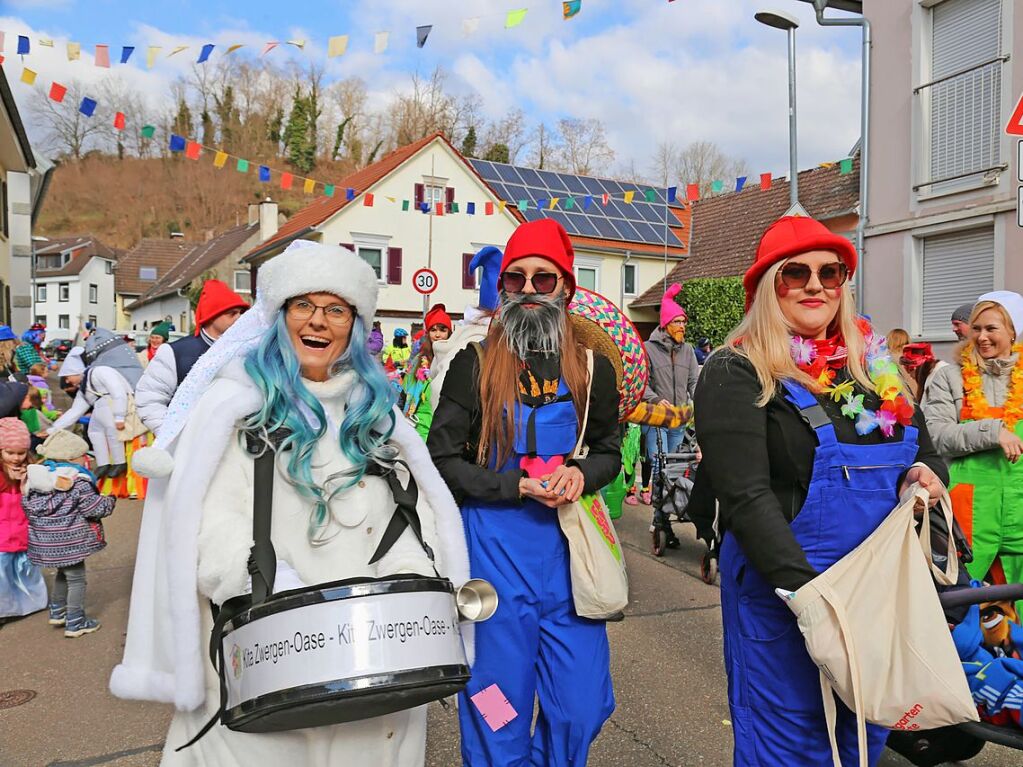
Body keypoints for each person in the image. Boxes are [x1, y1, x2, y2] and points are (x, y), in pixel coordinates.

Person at [110, 240, 471, 767]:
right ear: (278, 317)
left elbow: (409, 519)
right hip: (269, 662)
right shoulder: (233, 411)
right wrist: (284, 592)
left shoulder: (374, 416)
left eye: (336, 310)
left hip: (373, 670)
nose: (318, 321)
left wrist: (412, 575)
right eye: (304, 305)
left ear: (354, 324)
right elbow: (207, 526)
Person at [694, 215, 947, 766]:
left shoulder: (874, 370)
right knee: (791, 749)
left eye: (829, 272)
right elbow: (746, 498)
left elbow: (926, 452)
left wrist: (927, 476)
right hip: (791, 598)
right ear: (768, 287)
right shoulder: (736, 371)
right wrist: (815, 605)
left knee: (863, 741)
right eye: (795, 273)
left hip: (879, 599)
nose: (815, 285)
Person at [429, 219, 620, 766]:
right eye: (516, 279)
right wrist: (514, 485)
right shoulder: (473, 364)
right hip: (493, 560)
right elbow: (441, 461)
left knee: (582, 707)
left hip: (569, 562)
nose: (530, 290)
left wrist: (583, 474)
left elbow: (609, 447)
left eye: (544, 278)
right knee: (495, 707)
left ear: (566, 287)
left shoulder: (592, 369)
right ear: (502, 288)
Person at [925, 291, 1023, 586]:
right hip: (970, 512)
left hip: (1019, 507)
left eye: (991, 328)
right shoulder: (950, 378)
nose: (981, 337)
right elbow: (936, 436)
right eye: (976, 328)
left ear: (1013, 331)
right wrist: (992, 432)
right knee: (962, 598)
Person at [24, 429, 115, 637]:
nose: (86, 459)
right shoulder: (78, 482)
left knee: (64, 573)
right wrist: (109, 501)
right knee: (77, 579)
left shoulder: (38, 480)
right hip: (71, 540)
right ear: (72, 458)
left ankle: (58, 611)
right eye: (84, 455)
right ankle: (76, 622)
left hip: (48, 541)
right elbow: (94, 508)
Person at [134, 280, 248, 434]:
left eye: (241, 313)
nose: (239, 318)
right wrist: (173, 437)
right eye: (232, 313)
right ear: (212, 315)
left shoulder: (248, 350)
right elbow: (149, 399)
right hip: (190, 450)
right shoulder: (175, 352)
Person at [48, 330, 144, 482]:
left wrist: (119, 416)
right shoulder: (86, 383)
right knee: (94, 432)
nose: (67, 381)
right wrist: (52, 429)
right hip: (101, 409)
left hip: (111, 409)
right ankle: (103, 463)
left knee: (112, 433)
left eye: (67, 377)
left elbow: (119, 392)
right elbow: (75, 411)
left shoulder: (100, 371)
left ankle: (119, 462)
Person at [639, 282, 699, 508]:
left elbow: (694, 382)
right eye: (677, 321)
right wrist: (654, 398)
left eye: (684, 321)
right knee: (658, 465)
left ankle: (666, 509)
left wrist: (701, 402)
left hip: (679, 419)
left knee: (673, 468)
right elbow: (640, 384)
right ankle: (658, 514)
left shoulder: (689, 350)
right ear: (665, 325)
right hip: (656, 418)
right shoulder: (648, 349)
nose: (682, 326)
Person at [0, 418, 47, 622]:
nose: (16, 458)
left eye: (21, 453)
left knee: (25, 569)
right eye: (10, 453)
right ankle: (4, 609)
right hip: (2, 534)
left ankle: (31, 604)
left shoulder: (31, 470)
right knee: (2, 574)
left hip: (22, 531)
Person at [400, 304, 452, 440]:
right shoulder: (419, 359)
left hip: (443, 425)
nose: (438, 334)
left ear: (449, 332)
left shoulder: (455, 357)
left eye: (443, 329)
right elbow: (405, 391)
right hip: (419, 424)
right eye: (433, 330)